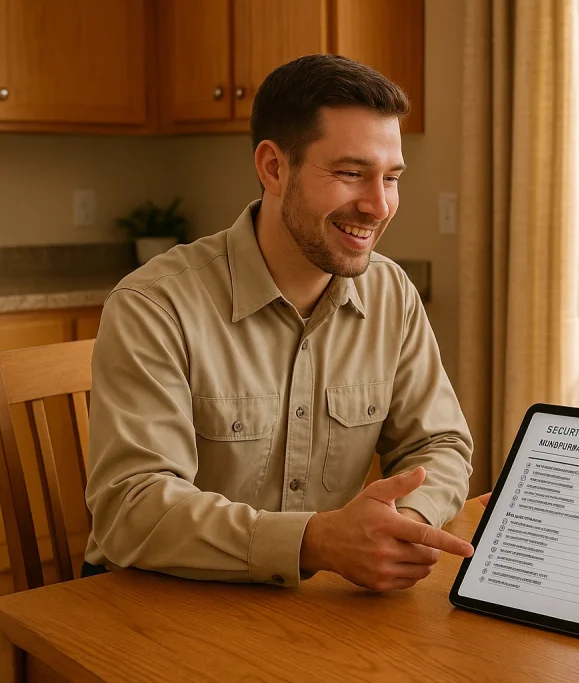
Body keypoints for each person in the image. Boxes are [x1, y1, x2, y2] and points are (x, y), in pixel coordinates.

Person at [84, 54, 474, 591]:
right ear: (273, 167)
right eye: (350, 173)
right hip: (155, 604)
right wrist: (315, 541)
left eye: (392, 178)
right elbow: (132, 506)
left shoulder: (392, 294)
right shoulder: (155, 305)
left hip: (312, 605)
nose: (378, 205)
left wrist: (404, 523)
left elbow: (441, 445)